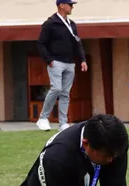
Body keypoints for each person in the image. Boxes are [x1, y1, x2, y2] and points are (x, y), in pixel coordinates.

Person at [36, 0, 89, 132]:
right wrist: (49, 60)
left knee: (65, 93)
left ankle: (63, 123)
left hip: (70, 63)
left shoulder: (71, 24)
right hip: (56, 62)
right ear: (61, 5)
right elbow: (41, 43)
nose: (72, 7)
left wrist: (83, 59)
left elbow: (78, 43)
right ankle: (43, 118)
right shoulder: (50, 23)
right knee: (56, 89)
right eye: (70, 5)